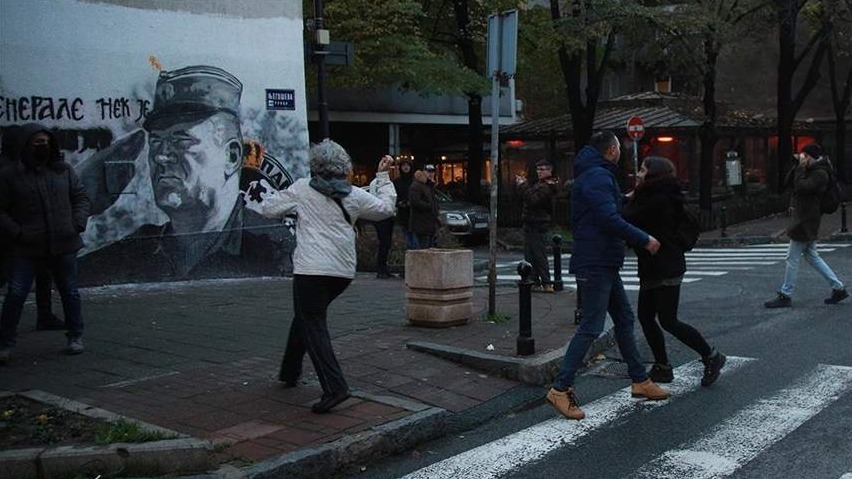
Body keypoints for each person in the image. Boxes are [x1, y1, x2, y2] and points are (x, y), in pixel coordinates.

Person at [261, 140, 396, 414]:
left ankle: (335, 387)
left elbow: (268, 208)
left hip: (310, 270)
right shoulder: (354, 195)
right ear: (343, 167)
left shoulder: (301, 189)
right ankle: (289, 371)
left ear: (315, 166)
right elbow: (385, 209)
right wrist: (382, 177)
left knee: (313, 324)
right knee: (305, 317)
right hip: (342, 272)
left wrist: (292, 208)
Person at [546, 131, 670, 420]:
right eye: (619, 148)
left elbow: (606, 206)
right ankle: (560, 388)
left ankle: (639, 380)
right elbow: (608, 218)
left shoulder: (594, 174)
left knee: (624, 319)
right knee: (591, 326)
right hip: (596, 261)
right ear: (612, 150)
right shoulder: (598, 176)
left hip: (602, 260)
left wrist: (630, 193)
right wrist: (644, 239)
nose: (621, 152)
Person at [622, 157, 726, 386]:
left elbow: (627, 218)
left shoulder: (657, 199)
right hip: (655, 265)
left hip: (665, 266)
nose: (638, 173)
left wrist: (627, 198)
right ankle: (662, 366)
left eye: (642, 170)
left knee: (668, 320)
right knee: (647, 316)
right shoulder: (659, 195)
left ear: (653, 174)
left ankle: (711, 356)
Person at [0, 124, 91, 364]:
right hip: (27, 246)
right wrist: (18, 233)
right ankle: (6, 343)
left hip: (63, 242)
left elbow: (80, 197)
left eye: (46, 142)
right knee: (16, 294)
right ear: (26, 145)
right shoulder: (10, 175)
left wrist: (77, 223)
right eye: (37, 142)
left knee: (70, 292)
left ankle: (75, 336)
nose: (43, 147)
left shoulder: (63, 171)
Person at [764, 143, 848, 308]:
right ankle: (838, 287)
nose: (803, 158)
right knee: (812, 256)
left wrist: (801, 168)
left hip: (806, 221)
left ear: (813, 157)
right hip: (805, 219)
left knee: (792, 258)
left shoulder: (820, 173)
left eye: (805, 156)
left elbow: (801, 187)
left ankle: (786, 294)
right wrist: (797, 166)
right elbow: (789, 182)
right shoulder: (810, 170)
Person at [516, 160, 559, 292]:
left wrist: (523, 186)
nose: (539, 172)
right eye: (538, 169)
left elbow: (533, 200)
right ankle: (534, 280)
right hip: (532, 222)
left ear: (549, 170)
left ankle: (546, 282)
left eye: (542, 169)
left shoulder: (547, 186)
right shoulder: (542, 184)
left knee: (538, 254)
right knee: (530, 254)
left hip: (537, 222)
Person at [408, 165, 439, 249]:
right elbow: (415, 202)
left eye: (432, 172)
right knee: (423, 250)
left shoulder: (429, 185)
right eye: (428, 171)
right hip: (421, 224)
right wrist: (429, 206)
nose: (430, 174)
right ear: (423, 172)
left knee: (429, 248)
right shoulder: (417, 185)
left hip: (429, 223)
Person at [393, 159, 416, 249]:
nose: (406, 167)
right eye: (403, 165)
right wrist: (399, 203)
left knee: (414, 238)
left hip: (414, 213)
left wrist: (412, 202)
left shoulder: (415, 181)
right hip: (403, 213)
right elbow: (394, 196)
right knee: (406, 237)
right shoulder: (397, 182)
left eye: (408, 165)